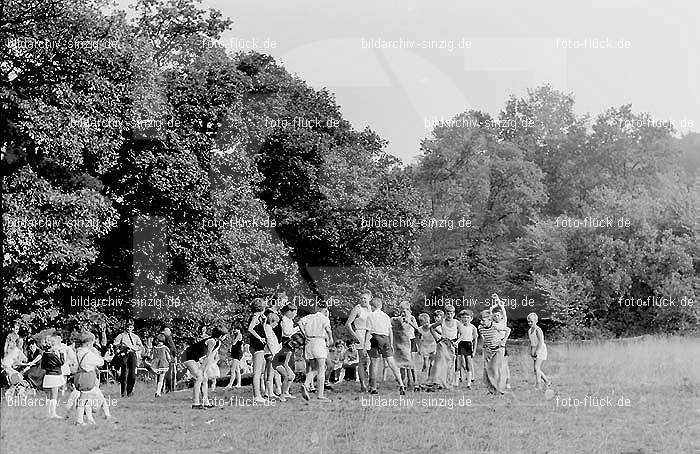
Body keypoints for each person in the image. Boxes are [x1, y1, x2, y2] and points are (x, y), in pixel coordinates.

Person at [365, 297, 406, 395]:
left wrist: (365, 343)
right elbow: (390, 330)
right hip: (386, 339)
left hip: (375, 338)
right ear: (381, 306)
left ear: (372, 306)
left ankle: (373, 387)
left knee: (374, 363)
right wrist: (391, 343)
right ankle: (401, 384)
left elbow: (369, 331)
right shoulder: (386, 316)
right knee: (391, 363)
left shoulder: (370, 315)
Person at [182, 325, 228, 409]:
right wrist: (202, 369)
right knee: (199, 377)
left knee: (205, 378)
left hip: (195, 358)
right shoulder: (212, 341)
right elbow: (207, 356)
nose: (225, 337)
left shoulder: (218, 343)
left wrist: (205, 370)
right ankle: (195, 403)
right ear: (221, 335)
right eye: (225, 335)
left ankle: (206, 402)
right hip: (187, 356)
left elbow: (210, 358)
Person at [74, 332, 114, 425]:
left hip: (80, 376)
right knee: (86, 400)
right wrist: (105, 358)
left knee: (85, 399)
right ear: (88, 343)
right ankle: (80, 420)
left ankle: (89, 419)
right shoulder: (88, 354)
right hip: (88, 378)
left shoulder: (78, 351)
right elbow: (100, 362)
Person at [298, 300, 333, 401]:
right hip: (319, 341)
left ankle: (306, 384)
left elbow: (300, 322)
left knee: (314, 369)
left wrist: (304, 334)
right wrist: (330, 338)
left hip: (309, 342)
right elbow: (328, 329)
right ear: (325, 309)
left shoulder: (309, 317)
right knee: (321, 368)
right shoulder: (324, 318)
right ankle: (320, 394)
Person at [345, 289, 372, 391]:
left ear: (370, 298)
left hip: (370, 334)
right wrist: (354, 336)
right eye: (361, 298)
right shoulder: (357, 308)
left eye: (365, 298)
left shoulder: (371, 308)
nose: (363, 300)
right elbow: (348, 324)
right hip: (360, 334)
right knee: (362, 360)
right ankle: (363, 384)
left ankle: (370, 381)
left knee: (370, 360)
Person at [426, 305, 459, 389]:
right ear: (445, 314)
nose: (449, 315)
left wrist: (457, 341)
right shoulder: (442, 321)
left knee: (450, 363)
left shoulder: (456, 322)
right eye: (448, 313)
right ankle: (438, 381)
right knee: (441, 363)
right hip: (443, 343)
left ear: (454, 314)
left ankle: (449, 382)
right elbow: (431, 328)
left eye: (451, 313)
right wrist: (436, 338)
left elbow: (462, 332)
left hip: (452, 343)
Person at [478, 309, 510, 395]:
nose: (481, 322)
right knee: (487, 369)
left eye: (483, 320)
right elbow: (484, 338)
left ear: (489, 319)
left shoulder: (495, 326)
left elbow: (508, 330)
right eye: (480, 320)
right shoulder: (480, 328)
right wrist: (485, 345)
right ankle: (491, 390)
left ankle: (500, 390)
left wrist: (503, 342)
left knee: (497, 369)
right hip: (489, 350)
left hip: (499, 349)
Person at [391, 301, 418, 391]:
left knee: (411, 363)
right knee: (402, 363)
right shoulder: (399, 319)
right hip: (402, 342)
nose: (403, 313)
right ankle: (403, 382)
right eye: (401, 311)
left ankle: (414, 382)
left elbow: (417, 329)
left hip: (411, 340)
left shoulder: (412, 318)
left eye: (404, 311)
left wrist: (409, 321)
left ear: (409, 310)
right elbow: (393, 323)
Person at [113, 320, 144, 397]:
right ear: (125, 327)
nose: (128, 328)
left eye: (130, 327)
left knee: (132, 374)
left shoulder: (135, 337)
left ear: (132, 328)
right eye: (127, 327)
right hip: (124, 355)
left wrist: (133, 348)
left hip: (132, 354)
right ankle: (123, 392)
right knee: (124, 374)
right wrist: (121, 348)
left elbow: (140, 346)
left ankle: (130, 391)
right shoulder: (121, 336)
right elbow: (115, 345)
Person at [247, 298, 269, 403]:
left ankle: (259, 393)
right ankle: (257, 396)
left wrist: (264, 322)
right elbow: (250, 329)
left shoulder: (258, 317)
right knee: (257, 372)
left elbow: (260, 329)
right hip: (257, 346)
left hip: (258, 347)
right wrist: (260, 338)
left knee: (261, 370)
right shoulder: (255, 317)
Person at [41, 335, 67, 419]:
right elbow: (62, 362)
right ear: (52, 346)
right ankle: (53, 413)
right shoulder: (53, 355)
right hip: (55, 376)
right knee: (54, 396)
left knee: (48, 396)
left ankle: (48, 413)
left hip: (47, 376)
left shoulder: (44, 354)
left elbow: (43, 366)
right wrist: (61, 353)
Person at [491, 294, 511, 389]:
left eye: (498, 315)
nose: (496, 317)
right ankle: (497, 381)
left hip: (502, 344)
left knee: (504, 365)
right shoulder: (493, 323)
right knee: (496, 364)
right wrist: (493, 305)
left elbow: (503, 309)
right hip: (495, 345)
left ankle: (507, 382)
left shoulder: (503, 322)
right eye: (495, 316)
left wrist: (497, 300)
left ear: (501, 316)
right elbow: (490, 311)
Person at [527, 312, 551, 389]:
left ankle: (538, 384)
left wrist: (537, 351)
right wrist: (532, 351)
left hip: (540, 349)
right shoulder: (529, 330)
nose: (530, 323)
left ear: (536, 321)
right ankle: (547, 381)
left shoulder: (538, 330)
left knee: (536, 368)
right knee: (536, 369)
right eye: (529, 321)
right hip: (534, 349)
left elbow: (541, 342)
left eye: (531, 321)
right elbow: (532, 342)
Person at [456, 309, 478, 388]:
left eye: (468, 317)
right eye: (464, 317)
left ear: (471, 318)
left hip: (468, 345)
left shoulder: (473, 327)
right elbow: (457, 336)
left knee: (468, 363)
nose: (466, 319)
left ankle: (469, 383)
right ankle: (457, 381)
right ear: (461, 318)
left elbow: (475, 339)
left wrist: (474, 350)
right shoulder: (460, 327)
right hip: (460, 344)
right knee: (459, 363)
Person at [415, 313, 436, 378]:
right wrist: (419, 348)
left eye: (428, 321)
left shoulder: (432, 327)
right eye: (425, 322)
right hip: (425, 347)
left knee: (432, 363)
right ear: (421, 323)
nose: (427, 323)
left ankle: (430, 377)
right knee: (426, 364)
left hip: (433, 346)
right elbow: (417, 339)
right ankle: (423, 372)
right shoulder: (420, 329)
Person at [161, 327, 177, 393]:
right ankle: (170, 389)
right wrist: (175, 355)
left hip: (161, 358)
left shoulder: (158, 337)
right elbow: (172, 347)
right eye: (169, 330)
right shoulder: (168, 337)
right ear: (165, 331)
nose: (170, 332)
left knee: (161, 374)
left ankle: (161, 389)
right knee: (170, 373)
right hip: (169, 357)